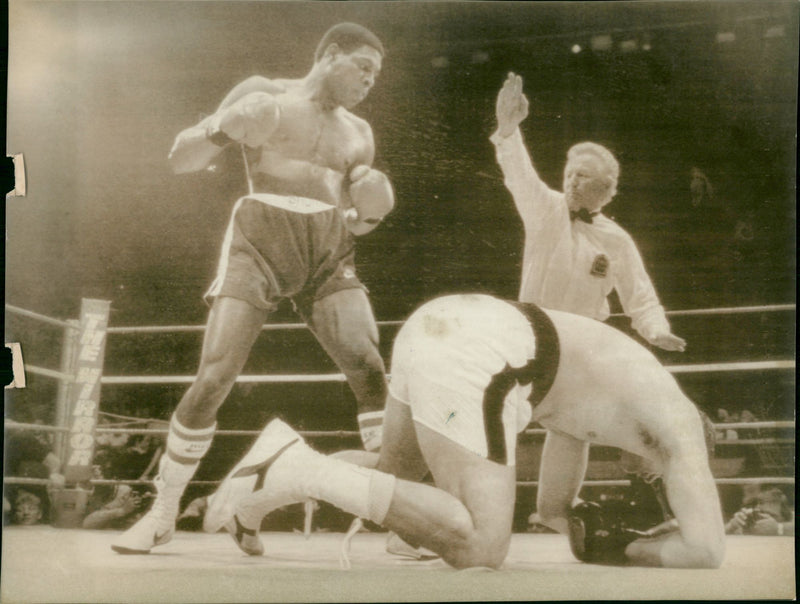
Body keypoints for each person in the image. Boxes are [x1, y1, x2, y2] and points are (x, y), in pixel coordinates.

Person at [113, 22, 394, 554]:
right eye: (362, 67)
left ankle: (400, 514)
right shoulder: (264, 91)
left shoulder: (359, 133)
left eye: (376, 75)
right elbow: (181, 159)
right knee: (216, 374)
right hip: (259, 236)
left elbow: (358, 220)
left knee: (369, 367)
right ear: (330, 54)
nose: (369, 81)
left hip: (329, 245)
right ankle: (163, 509)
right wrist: (223, 128)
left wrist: (373, 216)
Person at [203, 293, 725, 569]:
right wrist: (628, 549)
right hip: (490, 352)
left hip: (445, 324)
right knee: (481, 546)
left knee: (393, 476)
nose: (645, 477)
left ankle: (256, 494)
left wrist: (583, 528)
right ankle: (299, 468)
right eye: (658, 480)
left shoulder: (613, 406)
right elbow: (707, 552)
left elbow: (552, 511)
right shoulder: (678, 426)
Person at [491, 72, 686, 353]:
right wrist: (508, 129)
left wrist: (657, 332)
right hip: (533, 335)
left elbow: (641, 297)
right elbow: (519, 174)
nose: (571, 180)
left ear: (603, 188)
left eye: (581, 175)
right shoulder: (545, 208)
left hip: (585, 341)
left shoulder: (617, 239)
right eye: (569, 173)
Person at [725, 488, 794, 536]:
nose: (758, 507)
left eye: (771, 515)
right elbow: (719, 538)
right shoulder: (751, 518)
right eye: (759, 502)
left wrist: (777, 529)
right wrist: (731, 526)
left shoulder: (791, 518)